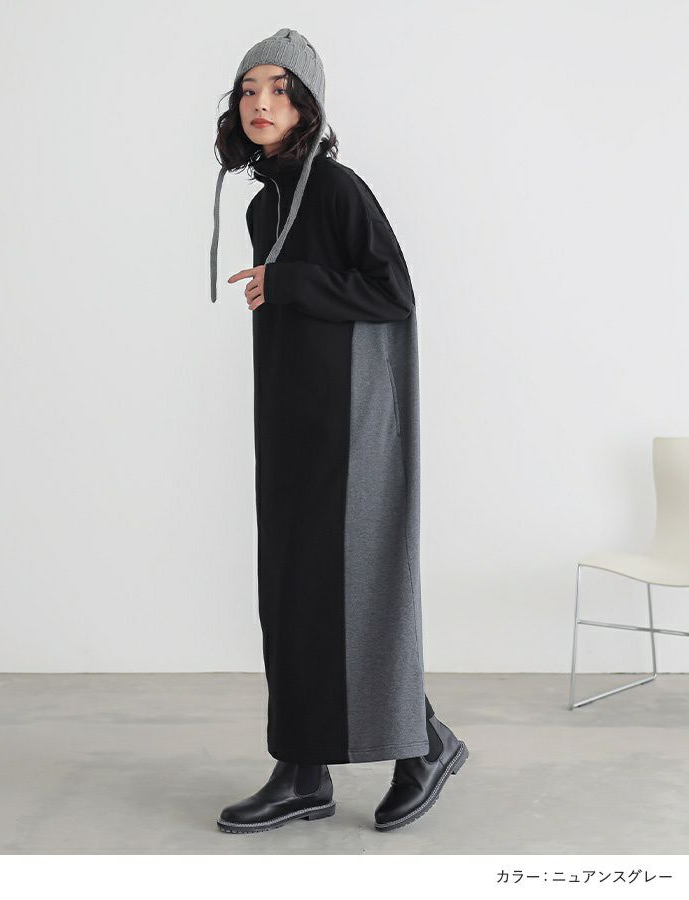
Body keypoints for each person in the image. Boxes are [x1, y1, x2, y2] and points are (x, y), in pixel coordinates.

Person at [209, 28, 469, 834]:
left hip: (352, 428)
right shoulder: (263, 204)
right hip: (290, 422)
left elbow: (393, 293)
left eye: (279, 90)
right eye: (249, 90)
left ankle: (422, 745)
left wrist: (292, 281)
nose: (260, 103)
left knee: (355, 587)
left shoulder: (338, 189)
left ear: (308, 105)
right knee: (292, 592)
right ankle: (302, 770)